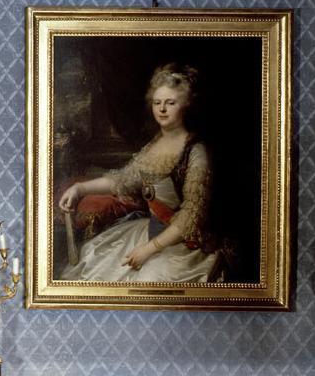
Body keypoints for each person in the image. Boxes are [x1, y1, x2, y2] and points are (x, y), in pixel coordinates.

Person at [58, 63, 221, 283]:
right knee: (93, 257)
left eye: (170, 103)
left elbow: (191, 218)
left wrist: (148, 250)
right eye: (157, 103)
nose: (162, 109)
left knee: (149, 280)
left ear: (186, 105)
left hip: (182, 246)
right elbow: (123, 180)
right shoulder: (154, 145)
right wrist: (80, 189)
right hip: (148, 233)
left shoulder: (196, 152)